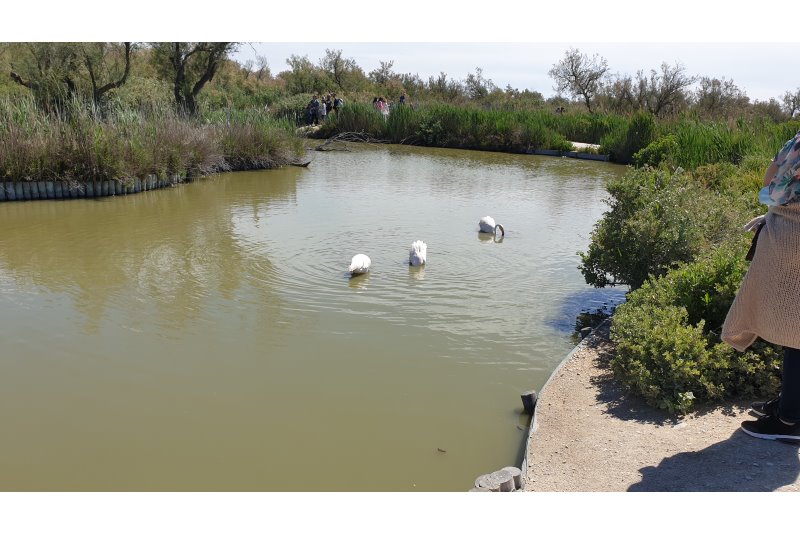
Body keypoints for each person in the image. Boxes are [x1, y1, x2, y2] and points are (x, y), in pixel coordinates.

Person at [722, 129, 800, 441]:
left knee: (794, 332)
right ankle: (790, 405)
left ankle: (789, 421)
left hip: (793, 238)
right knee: (793, 329)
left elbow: (771, 188)